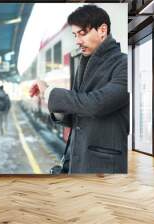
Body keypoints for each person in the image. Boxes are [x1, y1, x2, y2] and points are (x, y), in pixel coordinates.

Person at [34, 5, 129, 174]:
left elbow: (96, 104)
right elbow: (77, 115)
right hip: (78, 163)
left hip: (104, 167)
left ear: (102, 30)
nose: (77, 41)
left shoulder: (124, 64)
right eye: (75, 35)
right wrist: (55, 108)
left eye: (82, 33)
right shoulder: (84, 66)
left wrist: (49, 92)